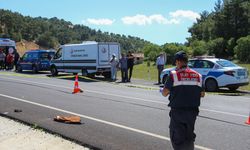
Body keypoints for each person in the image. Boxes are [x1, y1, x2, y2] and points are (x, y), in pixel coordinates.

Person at [160, 51, 205, 150]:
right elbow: (202, 94)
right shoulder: (198, 75)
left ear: (178, 62)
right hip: (192, 112)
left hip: (178, 112)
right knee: (189, 137)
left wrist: (162, 90)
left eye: (176, 63)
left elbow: (164, 93)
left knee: (177, 138)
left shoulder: (173, 75)